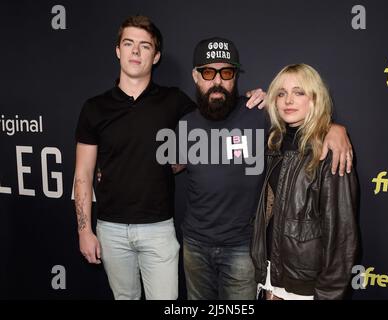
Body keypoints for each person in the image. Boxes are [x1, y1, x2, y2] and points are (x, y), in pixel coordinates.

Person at [73, 16, 265, 300]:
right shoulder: (94, 108)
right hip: (110, 229)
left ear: (156, 55)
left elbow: (216, 111)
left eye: (145, 46)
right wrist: (84, 230)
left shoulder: (176, 103)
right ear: (118, 50)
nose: (136, 52)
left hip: (159, 229)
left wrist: (257, 97)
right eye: (129, 44)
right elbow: (82, 174)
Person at [177, 38, 354, 300]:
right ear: (195, 76)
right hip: (196, 245)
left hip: (244, 248)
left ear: (235, 76)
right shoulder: (185, 124)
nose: (217, 81)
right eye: (207, 72)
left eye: (226, 73)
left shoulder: (258, 115)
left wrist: (335, 129)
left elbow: (304, 124)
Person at [250, 63, 358, 300]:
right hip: (270, 273)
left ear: (315, 99)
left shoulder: (330, 151)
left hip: (307, 286)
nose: (288, 100)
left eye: (299, 92)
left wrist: (329, 294)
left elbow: (342, 235)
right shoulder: (273, 144)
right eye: (281, 93)